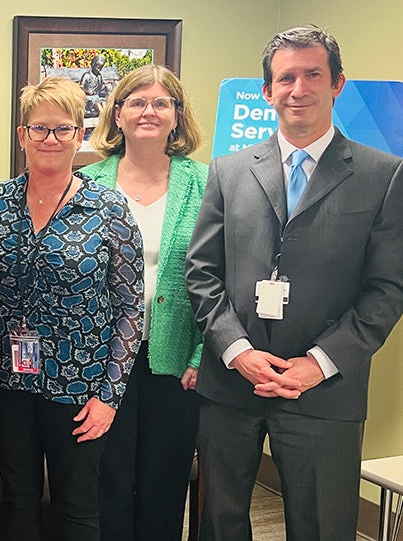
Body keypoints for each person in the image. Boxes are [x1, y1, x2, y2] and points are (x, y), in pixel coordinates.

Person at [186, 26, 403, 541]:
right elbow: (202, 272)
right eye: (285, 78)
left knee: (323, 525)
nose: (298, 89)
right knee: (218, 523)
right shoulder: (229, 170)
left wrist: (318, 364)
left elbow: (387, 289)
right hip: (232, 385)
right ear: (267, 91)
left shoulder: (384, 175)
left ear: (338, 84)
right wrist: (236, 350)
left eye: (313, 75)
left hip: (324, 391)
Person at [0, 77, 143, 540]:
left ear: (78, 135)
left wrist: (109, 396)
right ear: (22, 134)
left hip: (80, 388)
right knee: (17, 498)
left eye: (63, 129)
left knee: (76, 506)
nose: (51, 139)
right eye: (39, 129)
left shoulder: (109, 209)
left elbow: (130, 309)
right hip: (5, 381)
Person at [79, 64, 207, 541]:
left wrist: (201, 354)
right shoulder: (87, 183)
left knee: (164, 486)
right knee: (107, 484)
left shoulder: (207, 183)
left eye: (160, 102)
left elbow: (226, 276)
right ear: (117, 113)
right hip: (101, 364)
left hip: (177, 364)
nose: (148, 111)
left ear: (177, 115)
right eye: (136, 101)